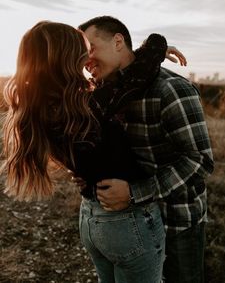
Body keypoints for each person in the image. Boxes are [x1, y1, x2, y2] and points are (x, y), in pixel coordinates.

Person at [0, 20, 185, 283]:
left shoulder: (44, 105)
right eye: (84, 50)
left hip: (91, 219)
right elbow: (136, 78)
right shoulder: (89, 105)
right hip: (126, 221)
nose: (88, 58)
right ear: (68, 57)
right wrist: (156, 45)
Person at [78, 15, 214, 283]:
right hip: (128, 227)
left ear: (118, 42)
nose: (86, 60)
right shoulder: (105, 93)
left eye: (91, 49)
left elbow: (199, 161)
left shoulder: (171, 89)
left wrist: (134, 193)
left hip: (175, 223)